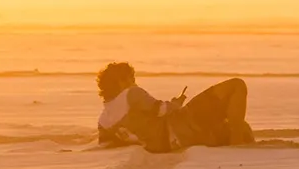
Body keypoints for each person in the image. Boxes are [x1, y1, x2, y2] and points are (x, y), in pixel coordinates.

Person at [96, 62, 253, 151]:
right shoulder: (131, 93)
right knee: (236, 85)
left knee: (240, 128)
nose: (135, 83)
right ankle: (236, 146)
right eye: (132, 79)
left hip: (172, 143)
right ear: (122, 82)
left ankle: (236, 139)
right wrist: (176, 103)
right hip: (179, 126)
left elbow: (109, 144)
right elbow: (162, 110)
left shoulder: (103, 121)